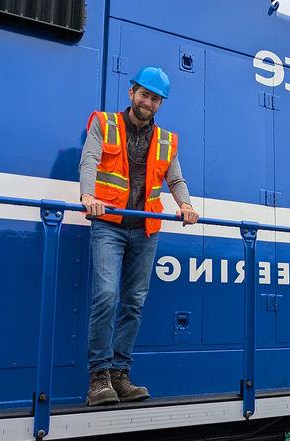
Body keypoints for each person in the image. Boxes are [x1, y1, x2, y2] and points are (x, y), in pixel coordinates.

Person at [78, 66, 199, 406]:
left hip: (145, 229)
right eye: (144, 95)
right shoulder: (104, 123)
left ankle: (120, 373)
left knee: (134, 302)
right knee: (105, 295)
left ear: (161, 104)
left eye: (156, 98)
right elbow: (89, 160)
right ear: (131, 93)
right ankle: (98, 377)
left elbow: (175, 180)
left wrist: (186, 205)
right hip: (109, 224)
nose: (148, 102)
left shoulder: (166, 140)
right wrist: (88, 196)